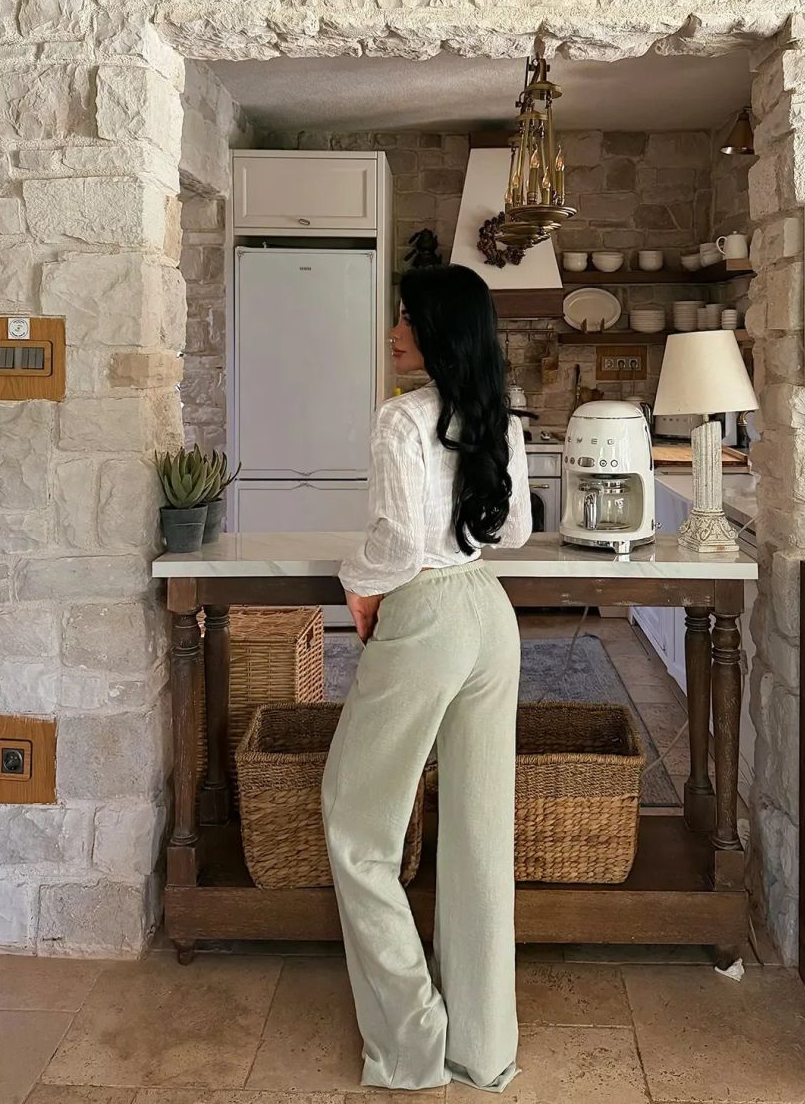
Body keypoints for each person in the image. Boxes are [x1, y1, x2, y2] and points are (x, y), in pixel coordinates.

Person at [321, 263, 533, 1093]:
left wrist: (355, 581)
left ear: (439, 330)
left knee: (356, 823)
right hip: (490, 613)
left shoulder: (400, 419)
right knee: (481, 836)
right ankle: (483, 1049)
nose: (393, 331)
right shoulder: (499, 418)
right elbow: (513, 530)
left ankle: (413, 1045)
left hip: (427, 617)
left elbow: (398, 545)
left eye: (406, 317)